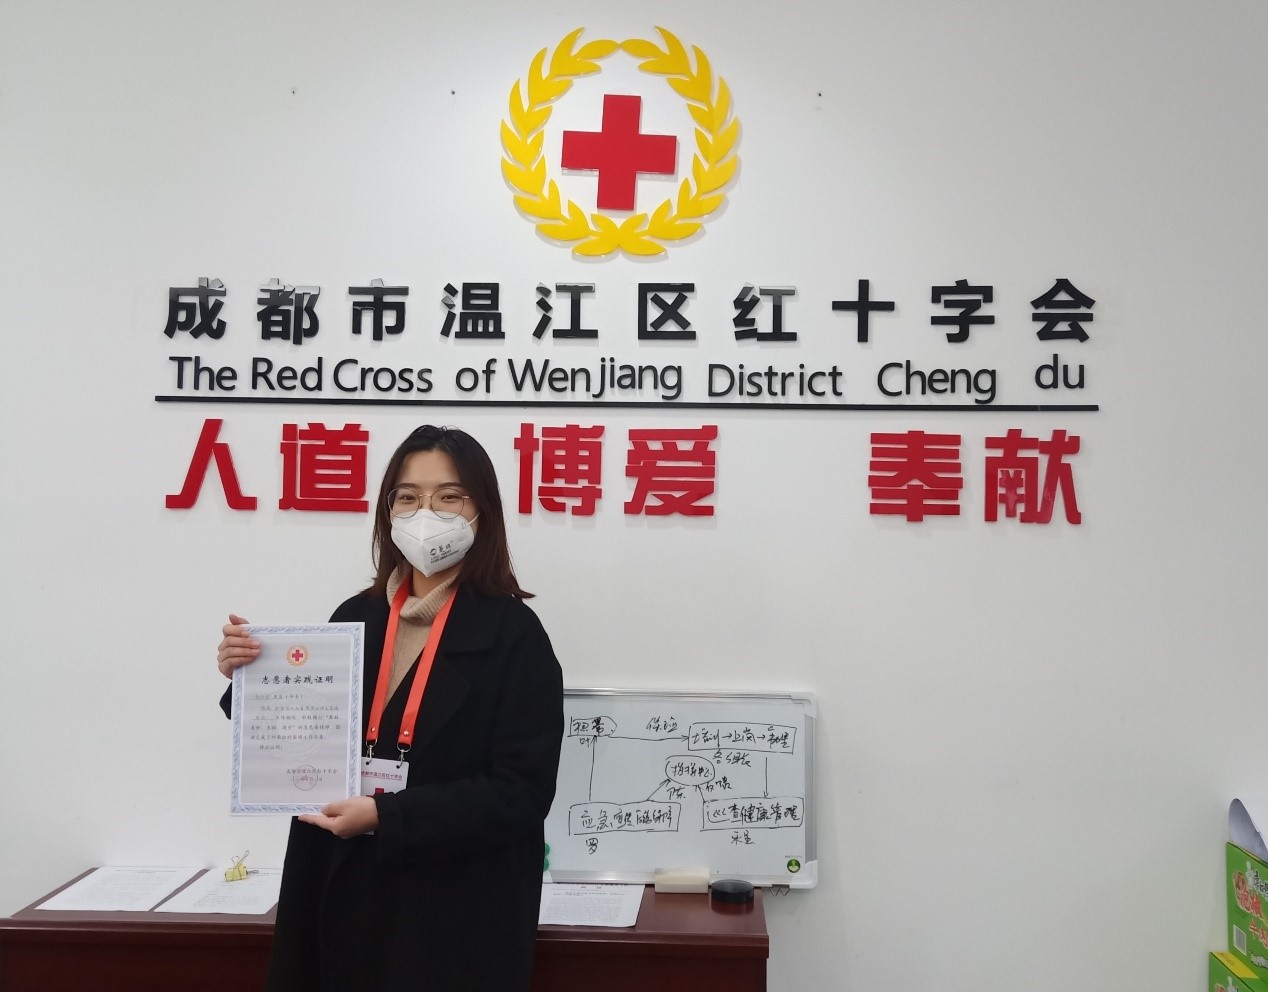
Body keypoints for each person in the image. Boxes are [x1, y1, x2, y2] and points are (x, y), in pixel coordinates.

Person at [216, 424, 564, 991]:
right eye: (408, 496)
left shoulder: (515, 635)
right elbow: (308, 736)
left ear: (483, 512)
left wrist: (388, 816)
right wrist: (251, 677)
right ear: (388, 511)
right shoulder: (355, 616)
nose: (426, 512)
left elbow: (522, 792)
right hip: (342, 892)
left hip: (450, 914)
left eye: (449, 496)